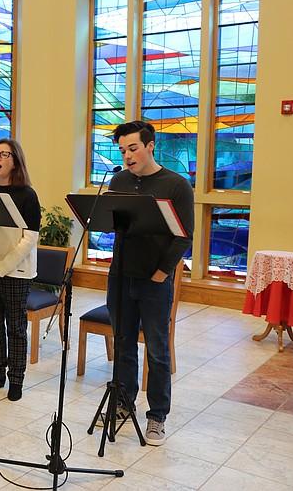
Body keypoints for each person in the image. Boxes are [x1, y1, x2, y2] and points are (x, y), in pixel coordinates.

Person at [105, 120, 194, 446]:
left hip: (154, 280)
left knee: (157, 351)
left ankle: (157, 417)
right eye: (123, 150)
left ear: (150, 145)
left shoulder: (175, 185)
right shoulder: (119, 180)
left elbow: (183, 236)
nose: (127, 156)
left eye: (133, 148)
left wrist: (161, 272)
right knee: (124, 344)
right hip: (120, 275)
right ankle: (123, 404)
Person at [0, 138, 41, 402]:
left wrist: (1, 267)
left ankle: (16, 379)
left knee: (14, 327)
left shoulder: (27, 195)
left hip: (15, 271)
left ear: (15, 161)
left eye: (4, 154)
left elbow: (30, 238)